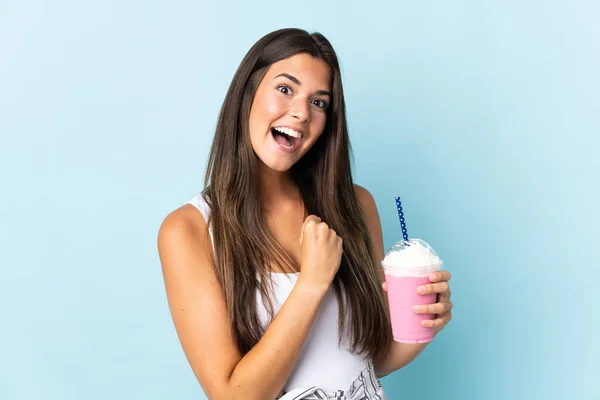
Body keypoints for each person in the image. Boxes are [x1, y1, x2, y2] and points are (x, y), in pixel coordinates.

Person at [157, 28, 453, 400]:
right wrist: (312, 282)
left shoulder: (356, 207)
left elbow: (364, 359)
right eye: (285, 89)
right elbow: (234, 395)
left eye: (319, 102)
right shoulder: (190, 230)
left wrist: (423, 325)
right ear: (248, 93)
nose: (300, 113)